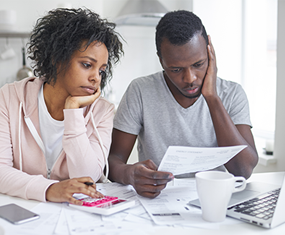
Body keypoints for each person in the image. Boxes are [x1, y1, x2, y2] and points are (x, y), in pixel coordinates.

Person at [108, 10, 258, 198]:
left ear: (210, 51)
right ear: (161, 59)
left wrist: (212, 98)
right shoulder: (140, 91)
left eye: (198, 64)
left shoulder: (232, 94)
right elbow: (113, 161)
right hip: (157, 202)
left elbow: (243, 170)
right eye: (176, 69)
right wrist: (129, 174)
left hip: (213, 199)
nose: (190, 78)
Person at [0, 8, 123, 204]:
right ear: (57, 59)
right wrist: (48, 189)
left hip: (76, 211)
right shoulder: (10, 97)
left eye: (101, 70)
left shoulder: (102, 111)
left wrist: (73, 110)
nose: (95, 78)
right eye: (87, 65)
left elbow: (88, 177)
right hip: (22, 207)